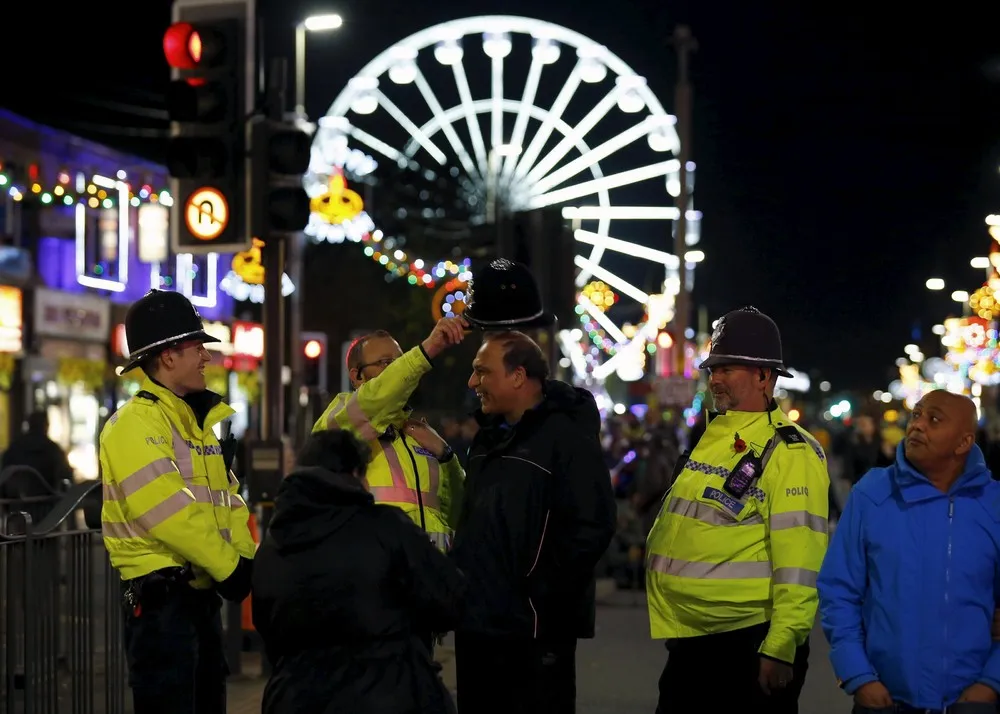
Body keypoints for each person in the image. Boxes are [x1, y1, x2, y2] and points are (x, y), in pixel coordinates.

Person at [645, 306, 830, 713]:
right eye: (714, 367)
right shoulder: (713, 436)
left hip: (747, 644)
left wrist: (780, 646)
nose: (716, 378)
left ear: (765, 376)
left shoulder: (790, 451)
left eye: (728, 368)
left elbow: (800, 560)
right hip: (693, 641)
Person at [100, 289, 256, 714]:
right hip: (162, 610)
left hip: (197, 602)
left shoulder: (194, 424)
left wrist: (244, 561)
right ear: (168, 357)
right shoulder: (134, 424)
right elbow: (169, 512)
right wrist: (233, 569)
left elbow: (229, 501)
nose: (207, 357)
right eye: (196, 348)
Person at [450, 330, 616, 714]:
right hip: (479, 628)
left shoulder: (566, 438)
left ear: (519, 376)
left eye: (482, 372)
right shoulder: (487, 441)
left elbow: (593, 525)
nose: (473, 382)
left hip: (534, 633)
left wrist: (538, 592)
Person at [252, 430, 465, 714]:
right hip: (388, 694)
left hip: (294, 699)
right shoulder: (387, 529)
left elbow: (267, 627)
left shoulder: (271, 548)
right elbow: (450, 599)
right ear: (354, 473)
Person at [818, 390, 1000, 713]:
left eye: (934, 419)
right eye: (916, 415)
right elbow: (839, 590)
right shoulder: (873, 493)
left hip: (972, 703)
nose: (917, 426)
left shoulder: (993, 505)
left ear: (963, 443)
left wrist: (991, 683)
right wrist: (857, 675)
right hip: (884, 701)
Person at [312, 318, 467, 553]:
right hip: (373, 582)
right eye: (386, 363)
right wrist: (427, 350)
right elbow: (375, 398)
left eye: (399, 361)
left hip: (430, 581)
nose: (396, 369)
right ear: (357, 376)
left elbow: (458, 513)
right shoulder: (340, 420)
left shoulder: (421, 434)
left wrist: (446, 456)